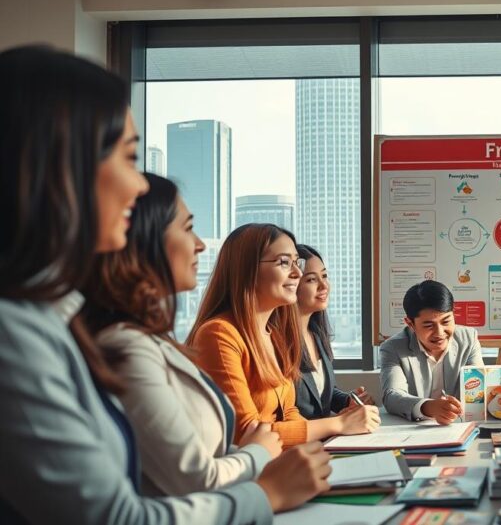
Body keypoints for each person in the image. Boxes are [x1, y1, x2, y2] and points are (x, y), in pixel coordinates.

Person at [0, 45, 328, 524]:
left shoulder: (56, 319)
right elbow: (118, 515)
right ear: (60, 166)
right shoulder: (18, 334)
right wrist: (266, 491)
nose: (138, 185)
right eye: (127, 158)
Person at [79, 174, 287, 496]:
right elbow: (196, 477)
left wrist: (260, 454)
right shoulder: (126, 348)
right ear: (148, 239)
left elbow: (207, 454)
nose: (200, 244)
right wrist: (258, 454)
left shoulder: (154, 342)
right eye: (188, 228)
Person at [186, 224, 380, 448]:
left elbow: (289, 412)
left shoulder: (272, 335)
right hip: (250, 465)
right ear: (248, 269)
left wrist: (325, 440)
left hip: (284, 458)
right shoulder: (219, 334)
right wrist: (338, 424)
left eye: (296, 262)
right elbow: (245, 432)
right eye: (284, 262)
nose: (297, 273)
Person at [380, 280, 484, 423]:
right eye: (429, 325)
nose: (439, 333)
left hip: (460, 425)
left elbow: (479, 386)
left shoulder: (468, 338)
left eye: (446, 321)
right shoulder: (393, 348)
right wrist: (427, 407)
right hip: (415, 428)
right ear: (410, 324)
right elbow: (391, 396)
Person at [293, 243, 375, 418]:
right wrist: (339, 423)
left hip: (327, 433)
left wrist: (348, 400)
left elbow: (321, 395)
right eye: (311, 279)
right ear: (291, 285)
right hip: (300, 435)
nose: (324, 286)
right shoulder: (276, 342)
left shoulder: (315, 334)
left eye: (324, 276)